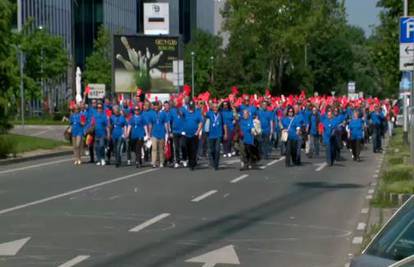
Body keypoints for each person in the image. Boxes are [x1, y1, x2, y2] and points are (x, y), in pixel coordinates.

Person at [206, 102, 227, 170]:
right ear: (212, 108)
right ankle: (212, 163)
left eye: (216, 107)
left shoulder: (221, 114)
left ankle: (216, 165)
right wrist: (204, 104)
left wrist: (225, 133)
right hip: (211, 135)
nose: (215, 108)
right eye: (214, 107)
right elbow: (203, 114)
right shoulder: (209, 113)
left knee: (217, 150)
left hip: (219, 134)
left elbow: (224, 124)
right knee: (211, 150)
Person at [182, 101, 203, 170]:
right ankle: (190, 160)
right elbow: (180, 113)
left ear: (194, 106)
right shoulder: (185, 112)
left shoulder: (197, 113)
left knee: (193, 150)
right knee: (187, 149)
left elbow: (200, 123)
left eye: (192, 106)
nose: (191, 107)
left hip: (194, 135)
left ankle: (192, 164)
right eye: (190, 106)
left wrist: (198, 132)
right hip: (186, 135)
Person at [148, 101, 169, 168]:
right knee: (154, 148)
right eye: (155, 105)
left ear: (159, 106)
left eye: (157, 105)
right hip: (154, 133)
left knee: (161, 149)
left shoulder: (163, 114)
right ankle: (154, 162)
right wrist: (149, 133)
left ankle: (161, 162)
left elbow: (166, 123)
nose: (156, 107)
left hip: (162, 133)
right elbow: (150, 124)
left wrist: (167, 132)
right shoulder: (151, 114)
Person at [170, 100, 187, 168]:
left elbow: (186, 117)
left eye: (176, 101)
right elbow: (170, 121)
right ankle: (177, 161)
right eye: (175, 102)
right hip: (175, 131)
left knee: (183, 145)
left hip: (183, 131)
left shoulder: (183, 109)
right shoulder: (172, 110)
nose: (175, 102)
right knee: (176, 147)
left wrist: (181, 113)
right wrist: (170, 131)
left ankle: (184, 159)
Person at [93, 102, 108, 166]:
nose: (99, 109)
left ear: (102, 108)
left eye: (100, 108)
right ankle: (99, 159)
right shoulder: (95, 116)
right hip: (96, 133)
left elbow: (107, 125)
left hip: (102, 133)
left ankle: (103, 158)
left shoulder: (104, 116)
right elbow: (92, 124)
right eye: (98, 108)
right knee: (97, 147)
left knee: (101, 146)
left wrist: (108, 134)